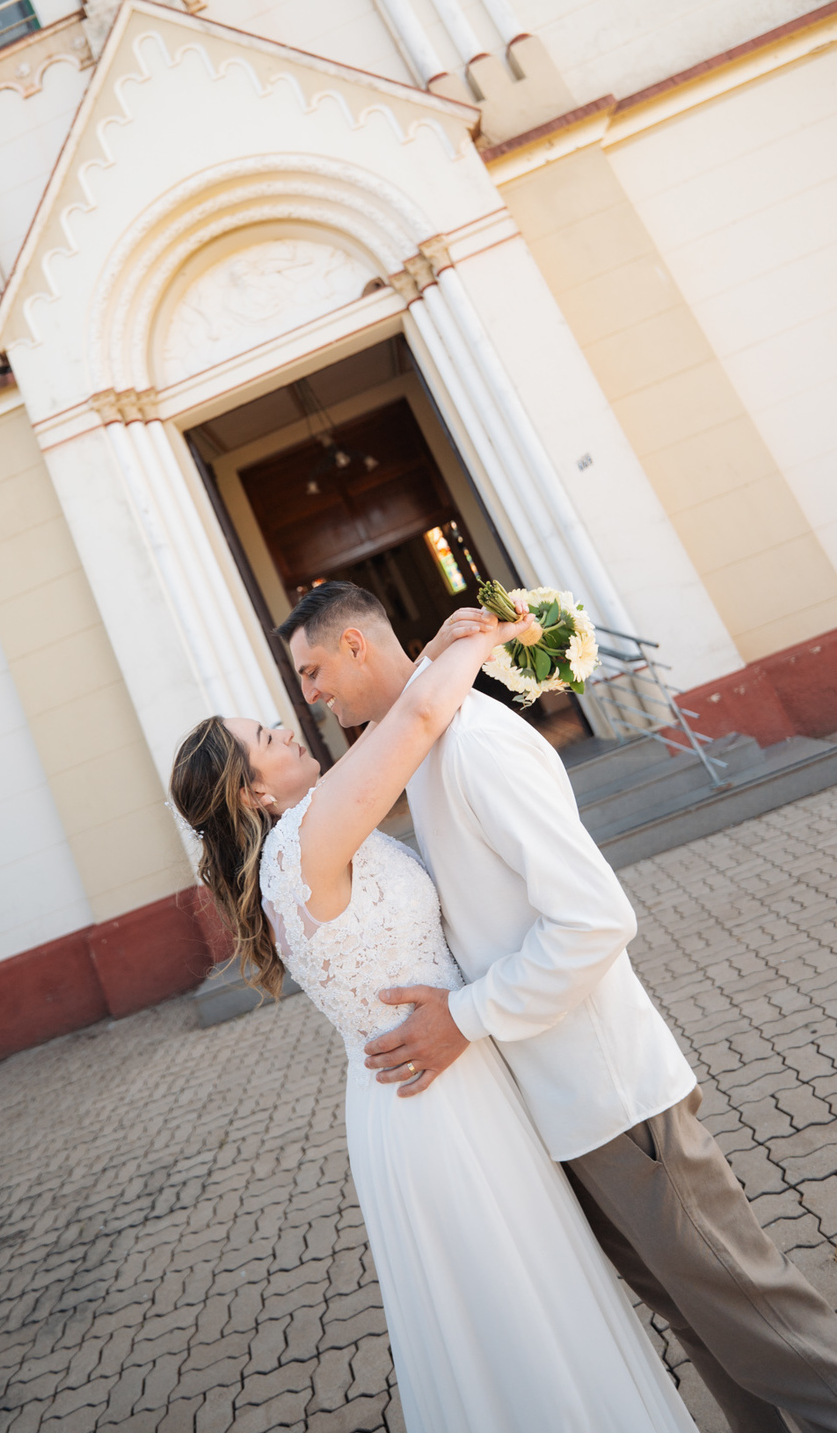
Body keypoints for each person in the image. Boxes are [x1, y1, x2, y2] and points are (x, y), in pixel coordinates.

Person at [279, 580, 837, 1433]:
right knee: (707, 1332)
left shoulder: (476, 744)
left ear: (356, 645)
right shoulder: (418, 748)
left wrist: (461, 1018)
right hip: (558, 1111)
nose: (309, 697)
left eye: (313, 671)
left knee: (770, 1330)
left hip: (614, 1100)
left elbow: (595, 919)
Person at [171, 605, 699, 1433]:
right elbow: (418, 716)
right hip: (438, 1101)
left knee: (528, 1298)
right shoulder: (307, 840)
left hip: (436, 1079)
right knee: (523, 1311)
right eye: (270, 737)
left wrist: (438, 649)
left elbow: (404, 718)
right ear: (254, 791)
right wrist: (495, 634)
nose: (292, 724)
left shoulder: (307, 840)